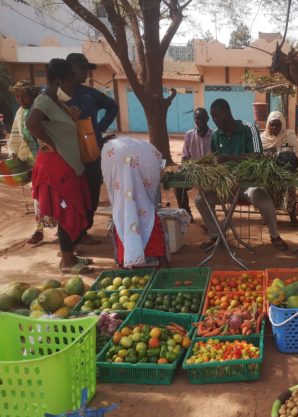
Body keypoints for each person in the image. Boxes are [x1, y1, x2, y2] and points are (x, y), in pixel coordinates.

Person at [194, 98, 288, 251]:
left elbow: (257, 156)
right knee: (200, 199)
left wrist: (228, 158)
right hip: (226, 187)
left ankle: (274, 235)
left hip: (248, 185)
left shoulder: (248, 128)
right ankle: (216, 236)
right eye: (213, 117)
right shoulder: (216, 136)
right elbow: (216, 161)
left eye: (218, 116)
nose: (215, 120)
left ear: (228, 113)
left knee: (264, 201)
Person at [26, 59, 92, 274]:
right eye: (71, 81)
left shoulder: (56, 101)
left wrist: (68, 116)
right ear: (57, 80)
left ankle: (70, 254)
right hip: (57, 167)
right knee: (66, 211)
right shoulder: (44, 101)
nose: (74, 85)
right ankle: (67, 262)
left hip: (68, 163)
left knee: (72, 208)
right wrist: (50, 144)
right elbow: (31, 122)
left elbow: (56, 125)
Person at [65, 53, 118, 244]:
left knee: (92, 189)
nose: (86, 73)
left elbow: (113, 106)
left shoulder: (89, 94)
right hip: (68, 154)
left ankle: (85, 228)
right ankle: (70, 233)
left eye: (87, 69)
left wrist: (100, 128)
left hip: (91, 152)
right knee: (71, 193)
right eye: (82, 69)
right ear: (70, 69)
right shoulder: (56, 95)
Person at [101, 136, 169, 268]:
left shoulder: (108, 151)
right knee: (148, 220)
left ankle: (124, 263)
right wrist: (150, 195)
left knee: (123, 224)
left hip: (121, 201)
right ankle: (162, 262)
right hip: (144, 201)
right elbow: (153, 177)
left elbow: (109, 179)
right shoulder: (148, 150)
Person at [7, 80, 47, 245]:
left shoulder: (42, 110)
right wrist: (13, 153)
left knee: (52, 195)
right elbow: (15, 136)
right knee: (37, 197)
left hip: (48, 160)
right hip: (31, 161)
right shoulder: (19, 113)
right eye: (18, 97)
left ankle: (62, 231)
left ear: (33, 95)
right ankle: (39, 229)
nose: (21, 100)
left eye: (24, 97)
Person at [260, 110, 298, 226]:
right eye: (272, 124)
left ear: (282, 124)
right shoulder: (262, 138)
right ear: (268, 124)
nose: (274, 127)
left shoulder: (289, 135)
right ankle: (268, 216)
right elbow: (259, 156)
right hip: (270, 170)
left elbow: (297, 153)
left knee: (289, 187)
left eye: (277, 125)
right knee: (266, 187)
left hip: (286, 170)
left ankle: (292, 215)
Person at [175, 107, 213, 218]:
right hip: (194, 172)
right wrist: (184, 170)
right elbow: (185, 157)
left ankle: (210, 216)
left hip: (210, 174)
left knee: (208, 193)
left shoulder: (214, 135)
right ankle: (186, 214)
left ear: (207, 119)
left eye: (202, 118)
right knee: (178, 186)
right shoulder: (189, 135)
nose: (199, 121)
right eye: (197, 118)